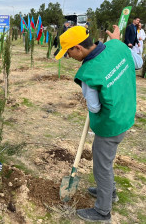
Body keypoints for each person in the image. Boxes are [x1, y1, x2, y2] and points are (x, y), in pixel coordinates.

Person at [55, 25, 143, 222]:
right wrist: (119, 43)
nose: (69, 57)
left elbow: (94, 108)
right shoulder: (117, 47)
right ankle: (109, 192)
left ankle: (103, 211)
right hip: (126, 114)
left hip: (110, 124)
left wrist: (87, 98)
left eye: (68, 52)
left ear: (78, 47)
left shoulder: (88, 73)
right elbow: (138, 62)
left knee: (102, 166)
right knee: (104, 156)